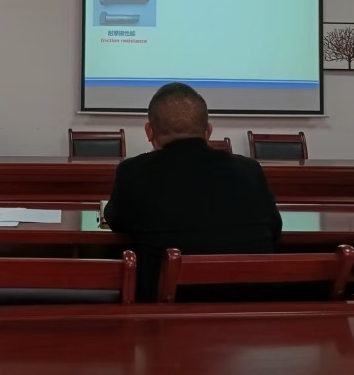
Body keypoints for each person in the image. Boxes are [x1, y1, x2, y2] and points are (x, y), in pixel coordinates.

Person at [104, 82, 282, 302]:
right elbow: (274, 229)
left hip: (164, 312)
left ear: (149, 132)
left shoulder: (133, 172)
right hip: (249, 311)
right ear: (208, 131)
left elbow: (117, 221)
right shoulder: (250, 170)